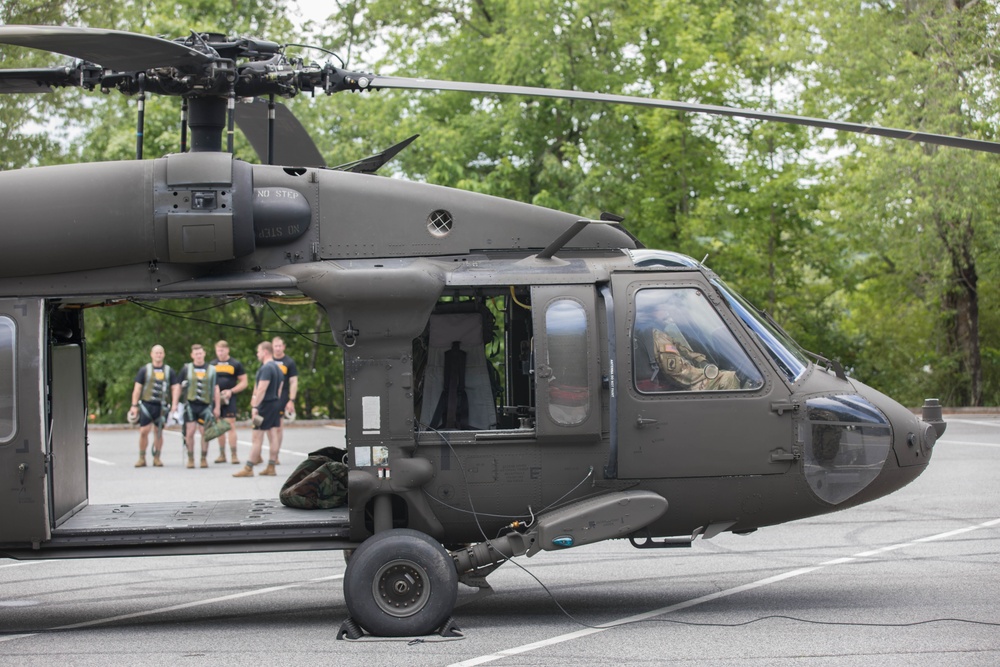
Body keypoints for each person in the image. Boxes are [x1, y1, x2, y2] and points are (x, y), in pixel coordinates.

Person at [234, 341, 284, 478]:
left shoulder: (266, 368)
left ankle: (248, 467)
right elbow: (279, 390)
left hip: (264, 406)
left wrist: (255, 406)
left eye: (258, 351)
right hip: (274, 404)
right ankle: (271, 466)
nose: (257, 354)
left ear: (265, 352)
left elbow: (262, 388)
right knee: (273, 434)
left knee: (257, 436)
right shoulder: (278, 368)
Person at [128, 345, 181, 468]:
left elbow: (175, 387)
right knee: (143, 431)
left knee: (158, 432)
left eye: (161, 353)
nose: (158, 355)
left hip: (161, 406)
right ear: (152, 354)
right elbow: (137, 388)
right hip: (147, 404)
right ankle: (142, 457)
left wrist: (174, 404)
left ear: (164, 354)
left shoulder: (169, 371)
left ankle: (157, 457)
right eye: (156, 353)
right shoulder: (144, 370)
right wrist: (134, 405)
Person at [179, 343, 221, 469]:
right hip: (190, 405)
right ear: (192, 355)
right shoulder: (186, 369)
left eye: (200, 353)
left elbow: (216, 388)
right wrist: (176, 403)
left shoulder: (211, 369)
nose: (198, 356)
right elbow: (177, 386)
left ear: (204, 354)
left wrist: (217, 406)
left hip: (206, 405)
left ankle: (203, 458)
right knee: (190, 432)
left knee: (204, 432)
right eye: (196, 354)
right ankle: (191, 458)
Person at [210, 340, 248, 464]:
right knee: (219, 426)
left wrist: (231, 391)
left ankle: (234, 455)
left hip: (229, 398)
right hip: (216, 399)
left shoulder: (235, 364)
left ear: (227, 350)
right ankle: (222, 454)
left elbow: (244, 382)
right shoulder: (212, 364)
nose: (220, 353)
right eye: (218, 350)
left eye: (222, 350)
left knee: (230, 425)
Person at [272, 336, 299, 464]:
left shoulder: (289, 362)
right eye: (275, 346)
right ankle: (268, 452)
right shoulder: (268, 361)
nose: (277, 348)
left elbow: (293, 382)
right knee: (266, 427)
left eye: (279, 346)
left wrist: (291, 400)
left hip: (282, 397)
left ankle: (275, 454)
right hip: (267, 397)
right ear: (272, 347)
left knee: (278, 427)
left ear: (283, 347)